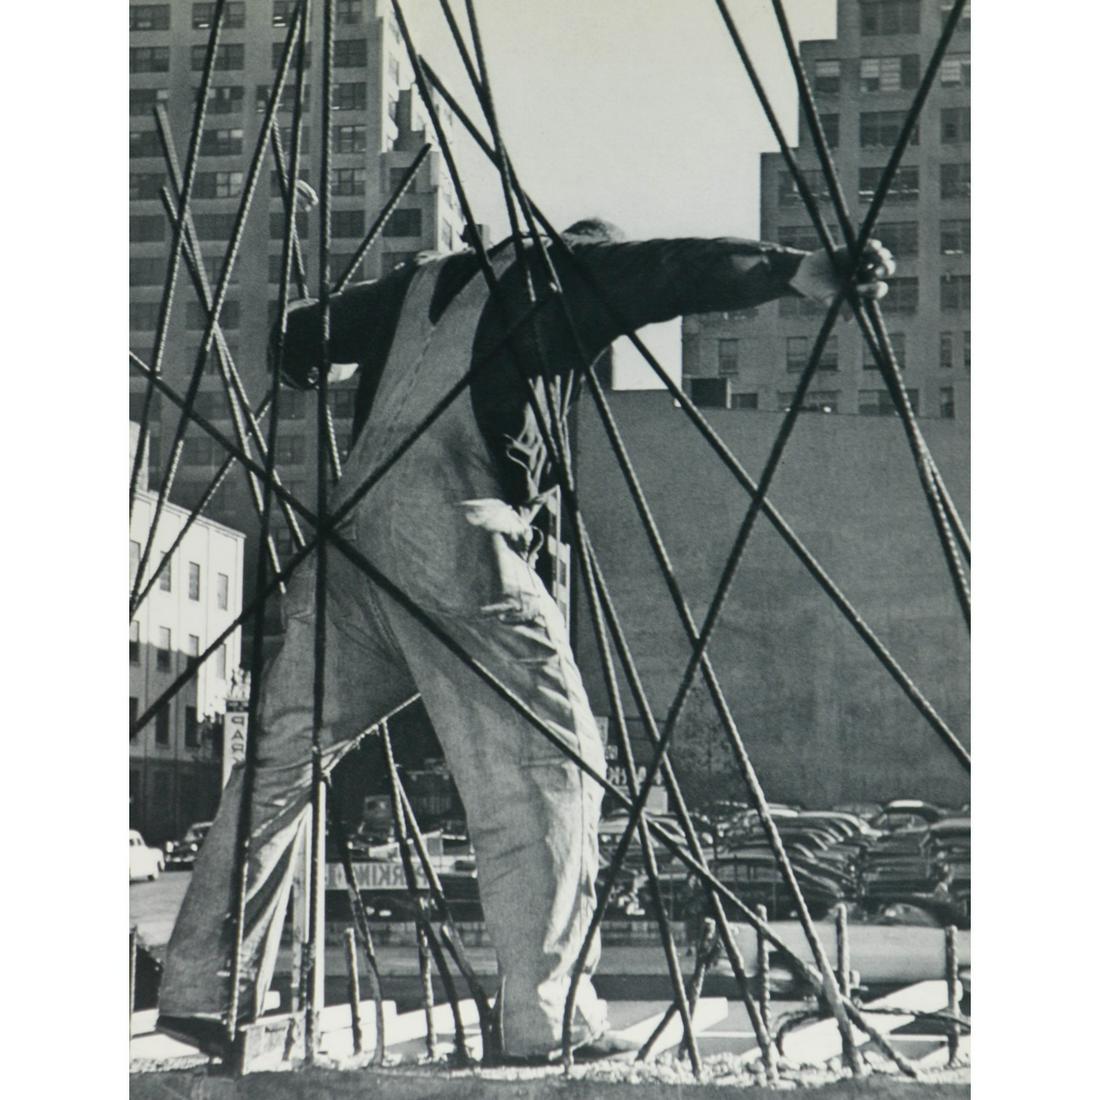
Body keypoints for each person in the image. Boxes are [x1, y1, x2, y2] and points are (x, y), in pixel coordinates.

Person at [157, 220, 894, 1063]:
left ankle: (205, 987)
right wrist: (798, 271)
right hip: (454, 532)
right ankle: (547, 1017)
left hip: (345, 546)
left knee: (283, 760)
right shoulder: (557, 270)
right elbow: (667, 269)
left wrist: (300, 341)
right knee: (553, 759)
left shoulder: (416, 285)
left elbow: (300, 334)